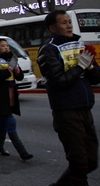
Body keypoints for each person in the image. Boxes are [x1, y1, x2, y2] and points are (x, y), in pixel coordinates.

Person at [38, 10, 100, 186]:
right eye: (63, 22)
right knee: (79, 163)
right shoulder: (48, 50)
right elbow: (59, 81)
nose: (69, 25)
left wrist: (90, 68)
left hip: (85, 108)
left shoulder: (79, 44)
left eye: (69, 22)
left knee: (91, 161)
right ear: (53, 28)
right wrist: (80, 67)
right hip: (66, 111)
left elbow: (96, 77)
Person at [0, 38, 33, 160]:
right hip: (0, 96)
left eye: (7, 46)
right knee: (10, 121)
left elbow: (19, 77)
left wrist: (17, 70)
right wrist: (9, 69)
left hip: (12, 93)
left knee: (4, 122)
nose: (6, 48)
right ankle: (22, 152)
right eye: (3, 46)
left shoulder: (12, 59)